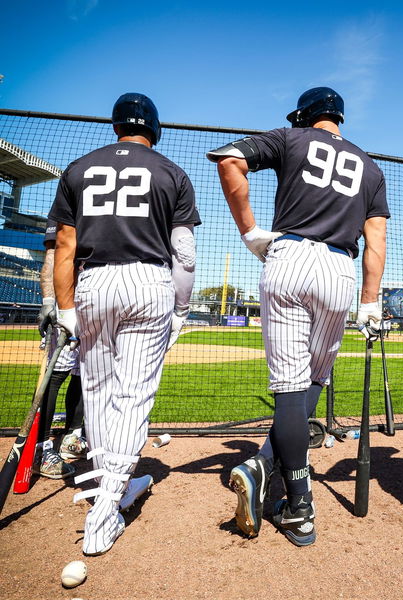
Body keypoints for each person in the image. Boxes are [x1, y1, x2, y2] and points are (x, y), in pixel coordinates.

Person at [207, 86, 388, 546]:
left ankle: (299, 504)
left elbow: (229, 159)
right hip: (339, 270)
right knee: (314, 380)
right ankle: (265, 466)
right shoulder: (370, 167)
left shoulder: (291, 137)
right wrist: (370, 301)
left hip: (289, 257)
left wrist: (249, 231)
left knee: (290, 386)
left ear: (307, 116)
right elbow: (376, 242)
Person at [50, 92, 200, 556]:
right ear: (155, 128)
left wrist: (64, 307)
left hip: (93, 282)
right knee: (133, 394)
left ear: (115, 126)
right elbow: (186, 256)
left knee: (95, 391)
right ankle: (107, 508)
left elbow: (64, 246)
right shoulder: (172, 172)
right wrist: (180, 309)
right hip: (147, 280)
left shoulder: (78, 168)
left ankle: (104, 486)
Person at [34, 219, 86, 480]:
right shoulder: (69, 201)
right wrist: (47, 301)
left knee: (84, 373)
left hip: (94, 301)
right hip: (66, 304)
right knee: (56, 374)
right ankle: (40, 448)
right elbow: (53, 255)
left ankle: (72, 437)